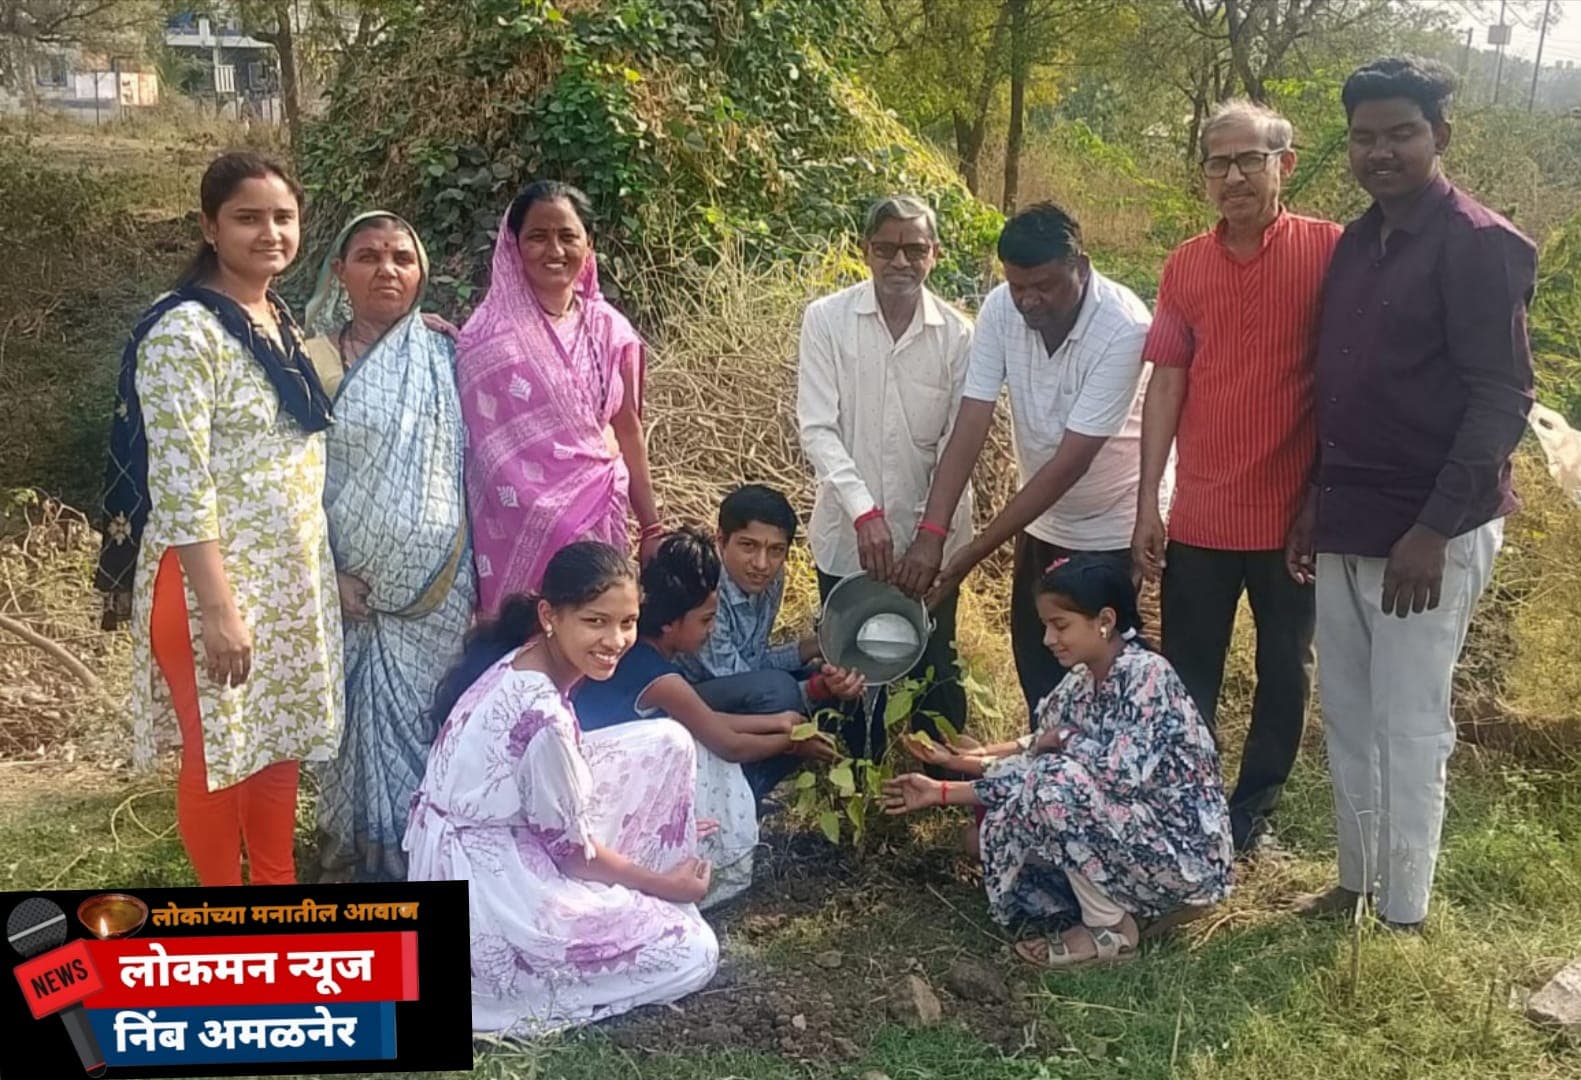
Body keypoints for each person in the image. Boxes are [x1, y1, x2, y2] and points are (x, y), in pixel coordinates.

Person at [1288, 57, 1536, 932]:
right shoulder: (1356, 242)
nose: (1379, 152)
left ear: (1440, 136)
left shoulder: (1478, 244)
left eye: (1400, 133)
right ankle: (1354, 881)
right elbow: (1343, 386)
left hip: (1430, 529)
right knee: (1348, 712)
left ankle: (1402, 908)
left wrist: (1432, 529)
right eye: (1363, 137)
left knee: (1409, 719)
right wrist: (1315, 500)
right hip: (1348, 516)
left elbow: (1501, 397)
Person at [93, 151, 341, 887]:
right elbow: (179, 480)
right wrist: (220, 610)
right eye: (247, 217)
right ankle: (223, 924)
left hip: (286, 578)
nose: (270, 232)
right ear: (209, 226)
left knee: (274, 750)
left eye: (283, 217)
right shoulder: (183, 333)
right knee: (218, 761)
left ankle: (274, 908)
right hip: (213, 584)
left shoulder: (277, 320)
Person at [1131, 101, 1343, 857]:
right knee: (1188, 667)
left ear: (1284, 164)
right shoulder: (1183, 264)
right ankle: (1188, 797)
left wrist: (1325, 496)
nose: (1233, 177)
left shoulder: (1330, 251)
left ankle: (1253, 809)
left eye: (1249, 159)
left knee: (1285, 666)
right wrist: (1148, 501)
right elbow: (1165, 384)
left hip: (1293, 514)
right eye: (1217, 163)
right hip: (1201, 512)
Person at [404, 541, 718, 1035]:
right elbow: (573, 856)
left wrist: (659, 812)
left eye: (627, 622)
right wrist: (670, 887)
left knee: (669, 741)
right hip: (487, 893)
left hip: (490, 837)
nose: (615, 639)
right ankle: (649, 897)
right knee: (695, 950)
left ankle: (647, 879)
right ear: (551, 615)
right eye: (596, 621)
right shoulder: (542, 714)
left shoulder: (524, 657)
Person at [883, 556, 1232, 970]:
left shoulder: (1146, 675)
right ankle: (1130, 902)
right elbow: (1039, 748)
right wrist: (964, 768)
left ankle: (1110, 929)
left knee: (1050, 786)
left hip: (1180, 854)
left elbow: (1106, 773)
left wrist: (1061, 741)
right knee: (985, 842)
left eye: (1060, 625)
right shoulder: (1086, 678)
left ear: (1105, 620)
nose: (1049, 638)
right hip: (1131, 834)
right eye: (1047, 625)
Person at [894, 203, 1153, 723]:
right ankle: (1044, 791)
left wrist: (969, 555)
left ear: (1081, 265)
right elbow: (972, 421)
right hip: (1043, 521)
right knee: (1040, 665)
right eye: (1018, 287)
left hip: (1113, 524)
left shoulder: (1124, 327)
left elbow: (1070, 463)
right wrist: (932, 529)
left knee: (1107, 682)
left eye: (1044, 286)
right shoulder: (1000, 309)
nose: (1029, 300)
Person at [300, 211, 476, 882]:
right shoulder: (307, 362)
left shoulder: (444, 354)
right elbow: (295, 483)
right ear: (339, 272)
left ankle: (424, 855)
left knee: (429, 718)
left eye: (402, 257)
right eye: (369, 256)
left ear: (421, 273)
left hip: (438, 588)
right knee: (347, 727)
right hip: (344, 589)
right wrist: (327, 576)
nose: (387, 269)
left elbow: (471, 469)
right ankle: (354, 854)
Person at [575, 527, 837, 904]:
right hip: (612, 799)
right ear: (670, 624)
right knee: (718, 760)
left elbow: (700, 721)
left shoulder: (636, 656)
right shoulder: (661, 679)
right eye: (705, 620)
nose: (711, 630)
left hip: (609, 780)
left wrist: (779, 723)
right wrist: (794, 744)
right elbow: (725, 742)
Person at [797, 194, 975, 744]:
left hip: (934, 539)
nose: (900, 262)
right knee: (846, 662)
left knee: (931, 663)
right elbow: (817, 427)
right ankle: (852, 772)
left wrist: (929, 533)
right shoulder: (827, 320)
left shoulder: (959, 334)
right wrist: (863, 509)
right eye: (886, 248)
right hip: (847, 535)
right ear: (865, 251)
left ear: (934, 254)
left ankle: (933, 781)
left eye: (914, 249)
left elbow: (958, 442)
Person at [457, 180, 664, 616]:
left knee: (594, 635)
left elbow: (627, 428)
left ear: (588, 244)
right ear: (513, 246)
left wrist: (652, 526)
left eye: (567, 236)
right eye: (537, 236)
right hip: (512, 533)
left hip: (599, 519)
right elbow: (478, 449)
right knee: (524, 643)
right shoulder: (484, 337)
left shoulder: (610, 330)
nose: (554, 249)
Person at [676, 485, 865, 767]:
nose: (762, 564)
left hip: (737, 683)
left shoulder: (772, 579)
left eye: (776, 550)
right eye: (748, 546)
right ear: (721, 540)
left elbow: (754, 658)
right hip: (688, 698)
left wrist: (816, 647)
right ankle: (747, 788)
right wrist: (816, 689)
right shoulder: (705, 590)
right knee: (783, 692)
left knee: (832, 672)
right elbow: (738, 679)